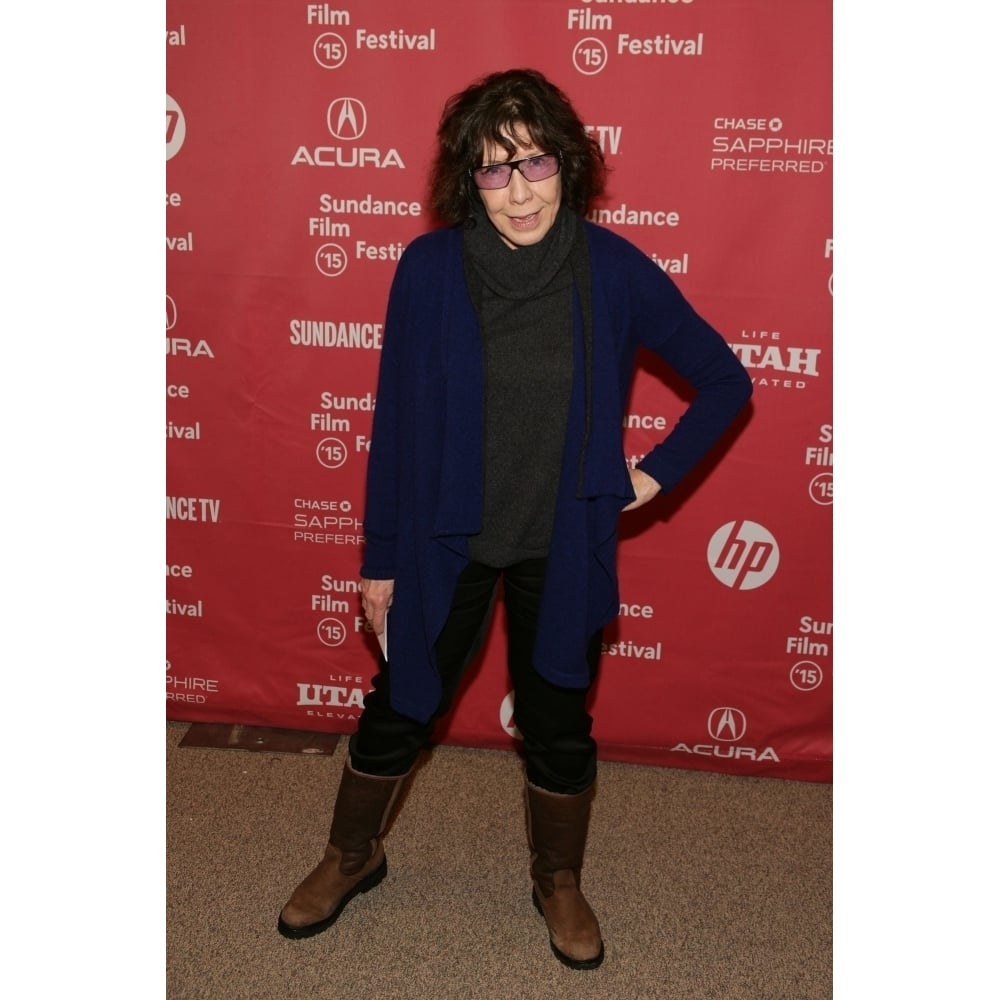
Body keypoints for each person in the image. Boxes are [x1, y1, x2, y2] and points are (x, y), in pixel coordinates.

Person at [278, 67, 752, 970]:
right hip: (442, 539)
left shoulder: (611, 271)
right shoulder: (426, 270)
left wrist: (650, 479)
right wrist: (380, 561)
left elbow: (726, 380)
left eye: (535, 162)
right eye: (494, 170)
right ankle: (352, 854)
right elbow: (396, 425)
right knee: (400, 706)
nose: (520, 189)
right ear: (469, 180)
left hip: (560, 543)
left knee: (559, 720)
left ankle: (557, 880)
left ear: (567, 164)